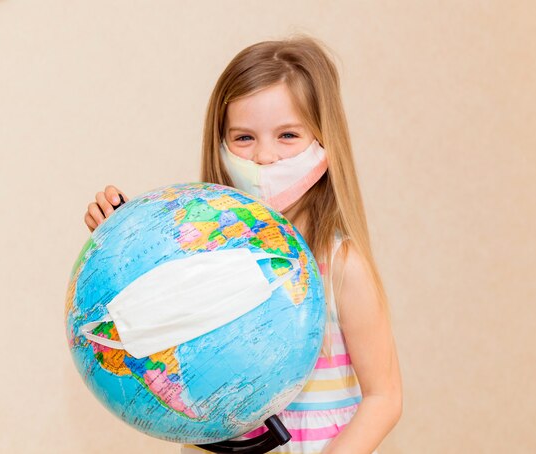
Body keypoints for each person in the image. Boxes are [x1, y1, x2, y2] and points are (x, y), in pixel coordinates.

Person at [84, 35, 402, 454]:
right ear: (220, 144)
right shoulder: (198, 254)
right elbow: (152, 324)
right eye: (244, 138)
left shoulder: (339, 264)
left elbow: (385, 397)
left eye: (288, 135)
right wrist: (120, 240)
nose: (264, 157)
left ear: (325, 142)